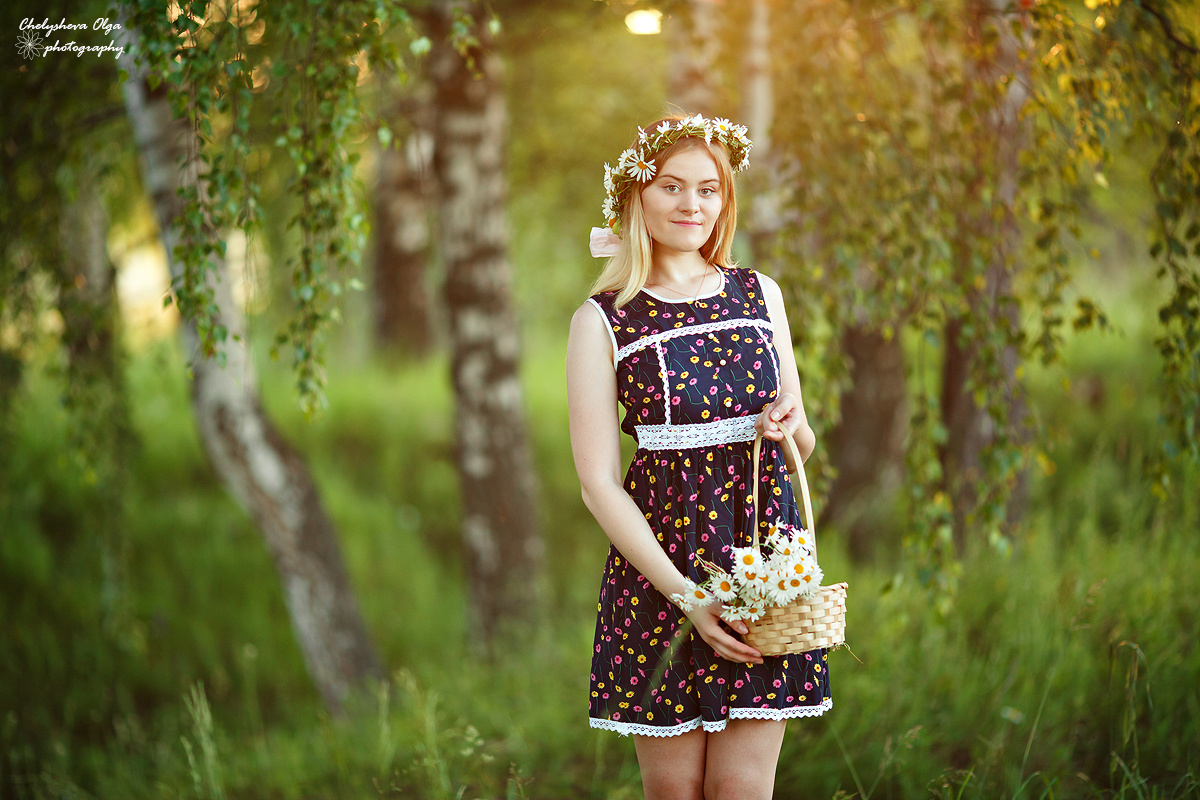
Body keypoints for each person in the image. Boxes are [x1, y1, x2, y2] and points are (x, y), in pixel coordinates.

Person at [566, 112, 832, 800]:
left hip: (759, 572)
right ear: (635, 196)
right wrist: (688, 598)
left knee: (743, 789)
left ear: (725, 199)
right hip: (661, 575)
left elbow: (800, 442)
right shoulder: (604, 317)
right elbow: (598, 482)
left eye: (708, 189)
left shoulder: (757, 294)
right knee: (676, 792)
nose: (692, 205)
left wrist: (789, 425)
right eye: (671, 187)